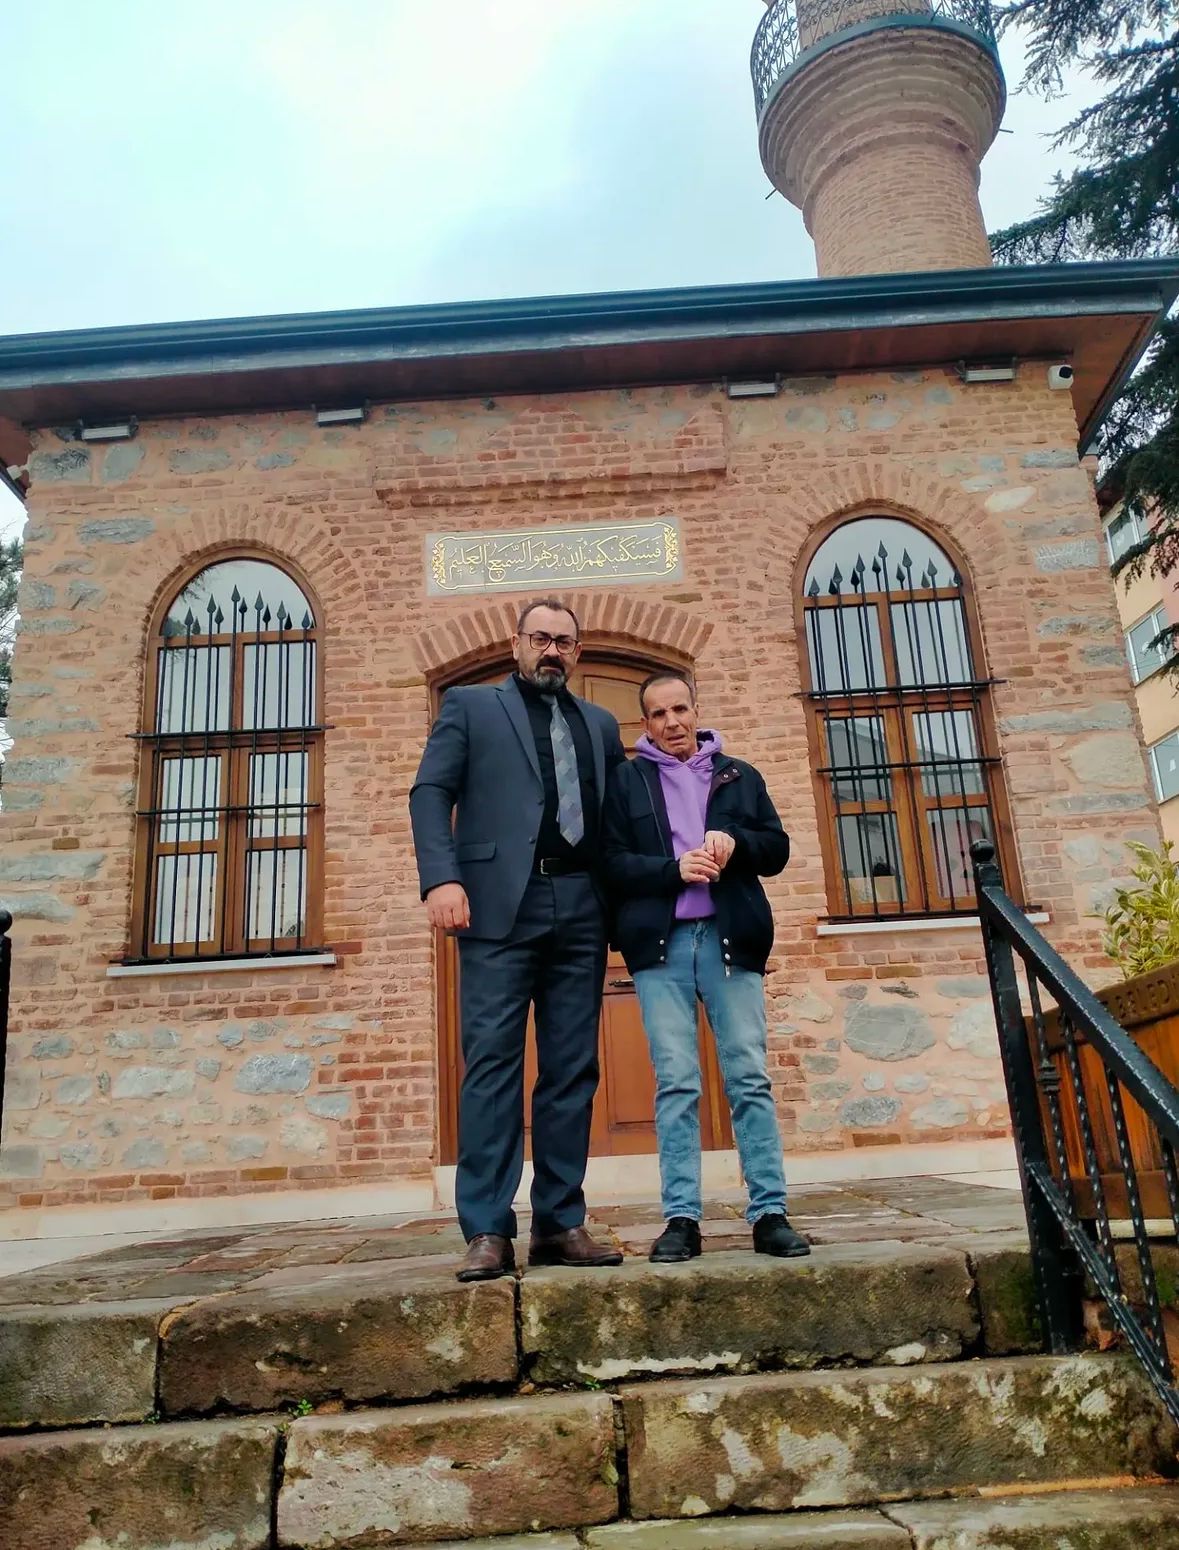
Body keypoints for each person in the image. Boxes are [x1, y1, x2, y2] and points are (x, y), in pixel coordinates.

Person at [410, 598, 627, 1282]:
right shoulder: (470, 707)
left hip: (581, 907)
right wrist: (440, 879)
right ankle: (487, 1228)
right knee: (492, 1065)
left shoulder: (599, 724)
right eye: (540, 638)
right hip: (497, 907)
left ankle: (559, 1222)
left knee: (572, 1069)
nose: (551, 650)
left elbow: (617, 821)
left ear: (577, 652)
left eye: (563, 641)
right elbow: (429, 792)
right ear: (516, 644)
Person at [602, 672, 810, 1263]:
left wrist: (736, 841)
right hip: (660, 947)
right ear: (646, 724)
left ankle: (769, 1213)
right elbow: (611, 864)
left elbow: (776, 849)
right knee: (676, 1083)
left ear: (696, 711)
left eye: (680, 709)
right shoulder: (626, 782)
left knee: (748, 1077)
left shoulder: (738, 775)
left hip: (729, 939)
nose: (672, 722)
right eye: (659, 714)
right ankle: (682, 1220)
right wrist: (673, 870)